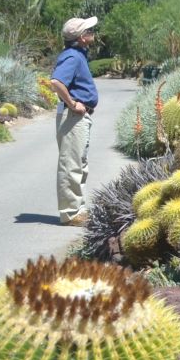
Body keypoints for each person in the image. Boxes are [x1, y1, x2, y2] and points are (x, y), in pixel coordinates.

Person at [49, 16, 100, 226]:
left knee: (79, 163)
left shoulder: (78, 54)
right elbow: (56, 81)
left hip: (78, 116)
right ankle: (71, 213)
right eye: (89, 30)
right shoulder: (72, 56)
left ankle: (78, 209)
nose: (92, 33)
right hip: (72, 116)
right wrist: (72, 103)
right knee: (72, 164)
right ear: (81, 37)